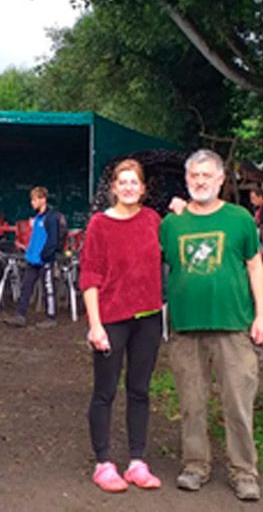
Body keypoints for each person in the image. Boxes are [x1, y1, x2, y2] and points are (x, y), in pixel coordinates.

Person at [159, 149, 263, 502]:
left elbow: (255, 267)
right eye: (194, 176)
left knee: (238, 402)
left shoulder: (239, 219)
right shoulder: (171, 225)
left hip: (233, 327)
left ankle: (244, 472)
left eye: (207, 175)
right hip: (186, 328)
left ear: (221, 180)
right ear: (186, 180)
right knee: (192, 402)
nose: (200, 181)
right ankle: (195, 465)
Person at [79, 160, 164, 493]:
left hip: (148, 318)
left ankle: (137, 461)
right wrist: (95, 325)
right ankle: (103, 462)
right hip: (111, 318)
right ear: (113, 188)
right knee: (105, 391)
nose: (129, 187)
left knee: (140, 390)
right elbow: (89, 275)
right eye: (122, 182)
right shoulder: (99, 225)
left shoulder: (153, 221)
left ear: (143, 189)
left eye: (135, 182)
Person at [2, 187, 63, 328]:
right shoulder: (36, 218)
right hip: (33, 259)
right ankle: (20, 315)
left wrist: (45, 255)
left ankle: (51, 317)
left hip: (44, 259)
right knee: (26, 287)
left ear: (43, 199)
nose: (32, 202)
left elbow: (52, 240)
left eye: (35, 199)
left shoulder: (51, 218)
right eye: (32, 199)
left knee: (48, 288)